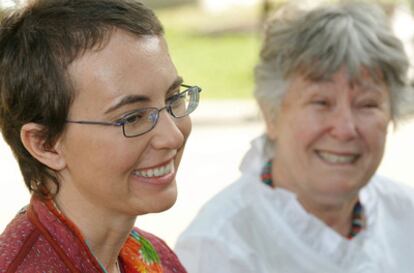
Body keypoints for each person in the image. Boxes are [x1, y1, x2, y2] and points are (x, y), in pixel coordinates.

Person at [175, 2, 414, 272]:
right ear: (271, 114)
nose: (345, 128)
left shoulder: (407, 216)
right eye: (321, 102)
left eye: (367, 104)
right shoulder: (218, 248)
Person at [0, 0, 201, 272]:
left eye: (173, 97)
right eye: (132, 117)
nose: (173, 137)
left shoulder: (151, 256)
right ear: (46, 144)